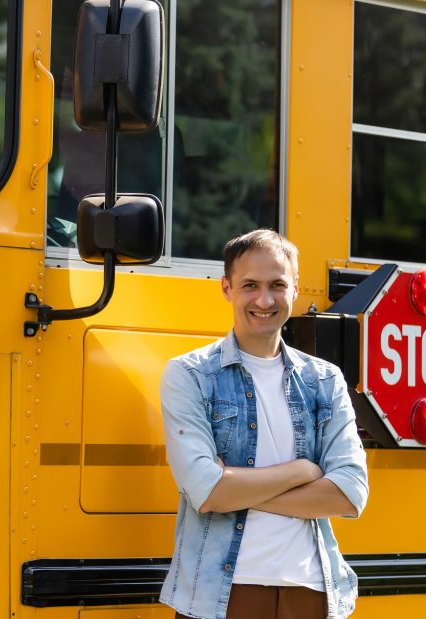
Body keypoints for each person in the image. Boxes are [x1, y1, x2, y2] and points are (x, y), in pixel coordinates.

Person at [160, 229, 369, 619]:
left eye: (277, 285)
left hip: (311, 592)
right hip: (219, 596)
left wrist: (235, 487)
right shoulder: (190, 375)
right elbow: (206, 492)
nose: (264, 300)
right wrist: (303, 471)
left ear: (295, 288)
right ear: (227, 288)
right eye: (250, 285)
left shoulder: (324, 380)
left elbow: (349, 493)